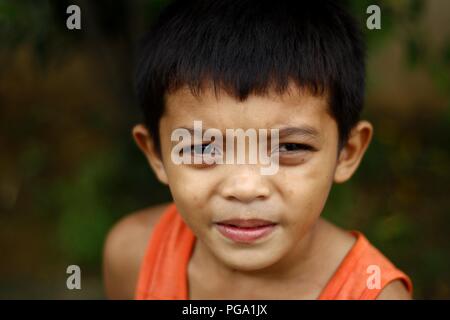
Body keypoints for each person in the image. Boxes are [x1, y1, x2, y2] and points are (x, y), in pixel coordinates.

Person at [103, 0, 413, 300]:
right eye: (201, 148)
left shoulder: (373, 295)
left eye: (290, 147)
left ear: (347, 152)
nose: (246, 187)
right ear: (156, 154)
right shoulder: (135, 255)